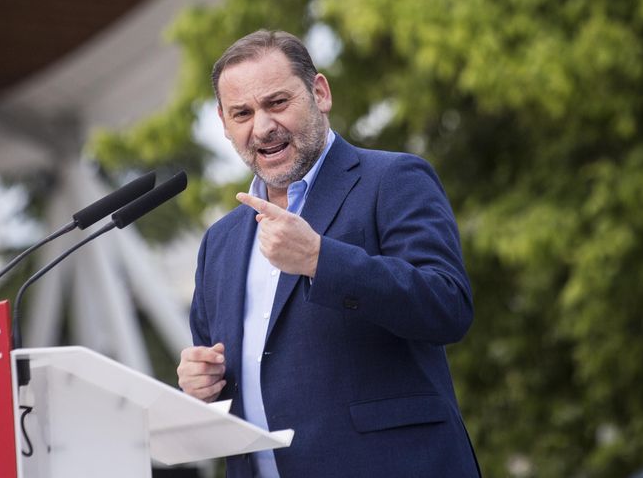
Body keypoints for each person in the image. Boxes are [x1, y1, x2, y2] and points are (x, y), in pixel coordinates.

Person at [177, 29, 480, 477]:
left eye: (277, 103)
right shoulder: (218, 243)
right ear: (224, 123)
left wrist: (321, 259)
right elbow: (240, 383)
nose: (262, 127)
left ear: (319, 93)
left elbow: (447, 306)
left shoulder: (393, 179)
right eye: (242, 113)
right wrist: (200, 387)